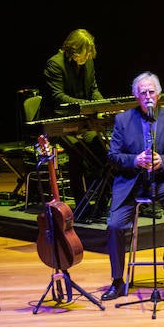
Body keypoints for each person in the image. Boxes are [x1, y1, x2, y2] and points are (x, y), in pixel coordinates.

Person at [101, 72, 164, 301]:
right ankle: (118, 281)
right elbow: (113, 156)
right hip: (132, 182)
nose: (148, 96)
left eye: (151, 92)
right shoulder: (122, 120)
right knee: (114, 226)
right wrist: (135, 160)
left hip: (163, 178)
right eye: (143, 93)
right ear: (135, 96)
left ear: (159, 94)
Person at [44, 29, 107, 207]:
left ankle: (102, 201)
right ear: (72, 49)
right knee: (78, 151)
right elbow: (58, 97)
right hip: (60, 121)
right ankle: (81, 203)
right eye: (84, 53)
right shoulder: (55, 64)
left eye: (89, 54)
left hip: (83, 120)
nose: (87, 57)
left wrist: (103, 105)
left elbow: (93, 88)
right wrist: (86, 106)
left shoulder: (88, 63)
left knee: (101, 147)